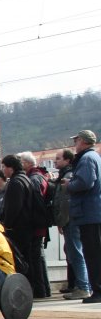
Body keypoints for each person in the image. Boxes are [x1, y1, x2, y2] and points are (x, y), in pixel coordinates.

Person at [65, 130, 101, 304]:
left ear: (84, 141)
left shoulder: (86, 159)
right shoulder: (94, 157)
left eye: (77, 140)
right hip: (93, 212)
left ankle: (98, 290)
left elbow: (86, 182)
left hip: (89, 213)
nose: (75, 143)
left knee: (93, 254)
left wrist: (69, 184)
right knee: (94, 252)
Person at [55, 148, 90, 299]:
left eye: (58, 158)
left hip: (71, 220)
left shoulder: (68, 176)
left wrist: (62, 220)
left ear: (67, 160)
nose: (56, 161)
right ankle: (79, 285)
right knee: (73, 252)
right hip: (71, 219)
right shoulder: (67, 175)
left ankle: (83, 286)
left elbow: (65, 202)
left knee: (76, 253)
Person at [17, 151, 51, 298]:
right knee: (38, 258)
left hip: (35, 225)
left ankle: (39, 290)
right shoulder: (39, 176)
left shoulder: (34, 179)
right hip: (39, 224)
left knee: (34, 258)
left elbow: (35, 203)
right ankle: (44, 289)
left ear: (26, 163)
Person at [0, 155, 36, 287]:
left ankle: (24, 286)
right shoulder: (25, 179)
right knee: (28, 258)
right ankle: (31, 287)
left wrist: (7, 224)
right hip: (27, 225)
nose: (3, 170)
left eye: (4, 167)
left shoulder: (15, 182)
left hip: (18, 227)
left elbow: (14, 207)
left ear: (11, 168)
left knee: (20, 259)